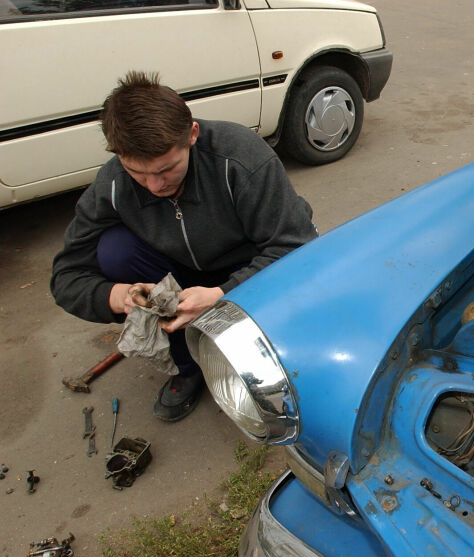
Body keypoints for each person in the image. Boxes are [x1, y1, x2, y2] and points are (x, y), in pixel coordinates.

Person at [51, 71, 318, 421]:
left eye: (166, 169)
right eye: (138, 172)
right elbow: (66, 276)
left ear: (191, 134)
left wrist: (224, 294)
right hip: (181, 271)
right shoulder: (113, 184)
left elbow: (297, 246)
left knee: (286, 348)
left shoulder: (240, 159)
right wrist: (120, 297)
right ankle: (190, 366)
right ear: (118, 156)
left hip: (249, 264)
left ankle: (268, 351)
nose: (153, 185)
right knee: (114, 250)